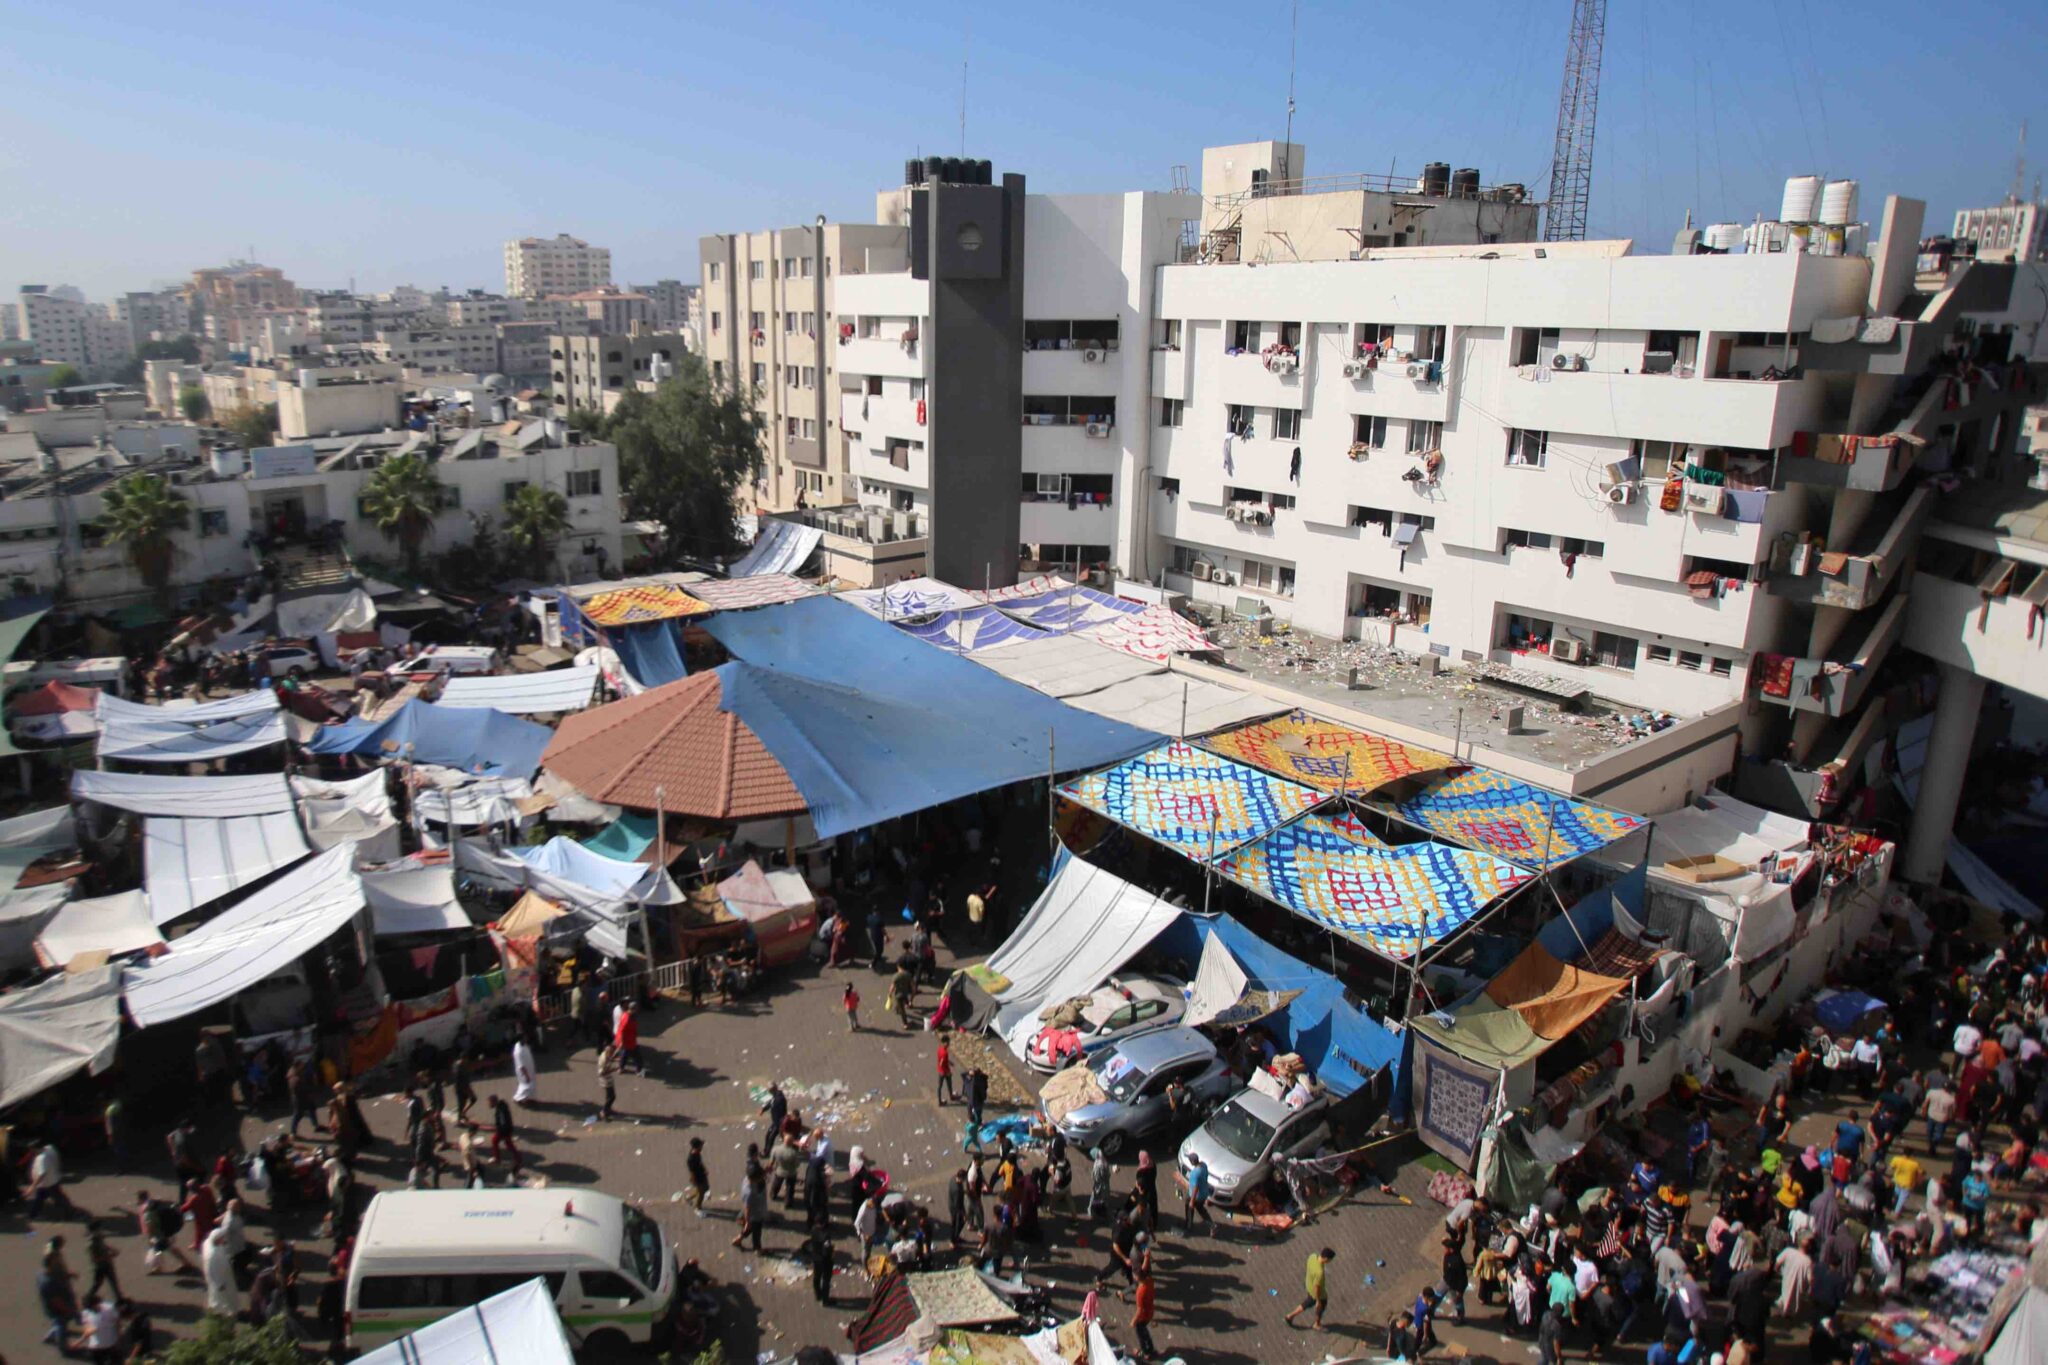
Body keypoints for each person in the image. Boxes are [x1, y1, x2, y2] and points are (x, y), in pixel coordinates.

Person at [1284, 1247, 1336, 1330]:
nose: (1330, 1262)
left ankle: (1290, 1316)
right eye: (1330, 1260)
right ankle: (1317, 1324)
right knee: (1321, 1306)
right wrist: (1318, 1301)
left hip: (1308, 1284)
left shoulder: (1312, 1256)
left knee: (1307, 1303)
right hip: (1318, 1293)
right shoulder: (1319, 1273)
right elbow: (1317, 1287)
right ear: (1326, 1258)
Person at [27, 1139, 70, 1219]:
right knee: (41, 1199)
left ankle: (69, 1213)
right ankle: (33, 1214)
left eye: (32, 1149)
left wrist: (32, 1186)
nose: (31, 1152)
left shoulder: (41, 1158)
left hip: (47, 1183)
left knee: (58, 1198)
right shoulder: (50, 1149)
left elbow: (42, 1173)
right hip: (52, 1180)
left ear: (35, 1148)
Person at [75, 1292, 120, 1365]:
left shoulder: (106, 1310)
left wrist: (78, 1342)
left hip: (103, 1345)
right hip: (105, 1343)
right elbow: (117, 1321)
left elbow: (90, 1330)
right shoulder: (108, 1308)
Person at [202, 1225, 236, 1316]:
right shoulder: (212, 1254)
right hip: (220, 1279)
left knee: (218, 1296)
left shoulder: (209, 1243)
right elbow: (211, 1269)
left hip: (223, 1274)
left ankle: (219, 1311)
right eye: (222, 1238)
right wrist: (219, 1283)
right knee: (222, 1297)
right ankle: (224, 1313)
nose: (224, 1239)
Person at [1131, 1260, 1159, 1359]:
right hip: (1150, 1310)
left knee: (1141, 1334)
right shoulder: (1150, 1281)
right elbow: (1144, 1269)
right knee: (1145, 1332)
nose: (1133, 1276)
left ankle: (1145, 1352)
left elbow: (1139, 1309)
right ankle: (1151, 1349)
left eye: (1134, 1275)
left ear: (1138, 1278)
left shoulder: (1140, 1292)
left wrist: (1133, 1321)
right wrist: (1146, 1257)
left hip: (1143, 1316)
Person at [1441, 1236, 1470, 1325]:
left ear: (1451, 1249)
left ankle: (1460, 1318)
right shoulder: (1448, 1254)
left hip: (1455, 1286)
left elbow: (1463, 1278)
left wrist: (1460, 1291)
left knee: (1457, 1302)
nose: (1444, 1249)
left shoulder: (1457, 1261)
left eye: (1445, 1248)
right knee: (1438, 1294)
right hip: (1446, 1280)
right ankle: (1431, 1309)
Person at [1185, 1152, 1214, 1233]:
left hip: (1197, 1196)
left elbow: (1195, 1188)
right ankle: (1211, 1225)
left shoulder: (1195, 1173)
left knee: (1189, 1207)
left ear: (1192, 1162)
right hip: (1204, 1192)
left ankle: (1188, 1225)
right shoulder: (1204, 1165)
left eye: (1190, 1160)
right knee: (1201, 1209)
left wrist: (1192, 1201)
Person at [808, 1224, 835, 1304]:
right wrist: (831, 1252)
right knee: (826, 1279)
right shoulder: (826, 1235)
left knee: (817, 1277)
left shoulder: (813, 1230)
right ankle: (825, 1300)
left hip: (816, 1258)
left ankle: (818, 1295)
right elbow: (826, 1250)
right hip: (825, 1261)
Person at [614, 1002, 642, 1073]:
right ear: (633, 1009)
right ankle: (639, 1069)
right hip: (628, 1040)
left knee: (625, 1054)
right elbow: (623, 1031)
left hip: (629, 1039)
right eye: (636, 1009)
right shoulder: (627, 1019)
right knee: (636, 1055)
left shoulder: (627, 1015)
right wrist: (622, 1042)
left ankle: (621, 1068)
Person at [511, 1035, 538, 1104]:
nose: (526, 1038)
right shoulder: (518, 1051)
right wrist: (526, 1075)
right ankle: (518, 1099)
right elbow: (521, 1066)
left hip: (529, 1069)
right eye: (524, 1038)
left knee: (531, 1085)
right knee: (525, 1087)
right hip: (524, 1072)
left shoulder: (524, 1045)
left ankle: (528, 1098)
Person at [597, 1043, 621, 1120]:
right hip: (605, 1080)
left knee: (610, 1096)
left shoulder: (605, 1054)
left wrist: (615, 1059)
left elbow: (610, 1058)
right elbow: (602, 1072)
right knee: (611, 1097)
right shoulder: (604, 1060)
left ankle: (608, 1110)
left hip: (608, 1078)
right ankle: (604, 1111)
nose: (613, 1053)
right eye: (612, 1052)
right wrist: (614, 1069)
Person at [687, 1137, 710, 1213]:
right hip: (698, 1178)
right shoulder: (691, 1159)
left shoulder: (697, 1153)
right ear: (697, 1147)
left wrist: (704, 1169)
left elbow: (700, 1163)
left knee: (705, 1188)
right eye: (701, 1145)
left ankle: (689, 1198)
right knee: (701, 1193)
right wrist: (694, 1181)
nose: (702, 1147)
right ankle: (698, 1206)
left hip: (702, 1175)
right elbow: (692, 1172)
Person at [936, 1034, 955, 1105]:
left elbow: (942, 1060)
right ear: (945, 1042)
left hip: (940, 1071)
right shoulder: (945, 1053)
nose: (949, 1044)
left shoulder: (940, 1049)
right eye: (948, 1042)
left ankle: (939, 1101)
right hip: (945, 1071)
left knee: (939, 1086)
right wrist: (947, 1071)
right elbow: (942, 1062)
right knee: (949, 1084)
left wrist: (949, 1062)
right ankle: (951, 1096)